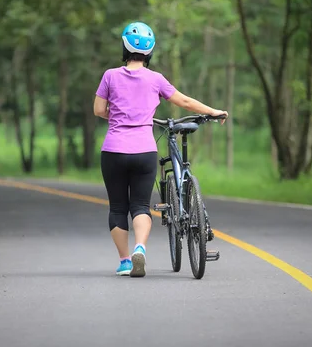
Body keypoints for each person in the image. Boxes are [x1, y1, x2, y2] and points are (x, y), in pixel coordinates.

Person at [94, 21, 227, 277]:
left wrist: (121, 114)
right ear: (150, 52)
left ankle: (124, 261)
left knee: (118, 208)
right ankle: (140, 249)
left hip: (114, 151)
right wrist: (213, 111)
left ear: (124, 46)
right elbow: (185, 102)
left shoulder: (110, 76)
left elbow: (99, 110)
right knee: (141, 206)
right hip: (144, 152)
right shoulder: (156, 79)